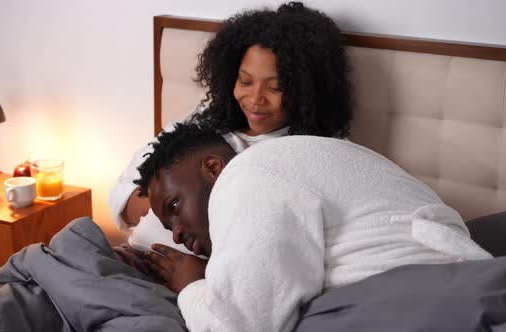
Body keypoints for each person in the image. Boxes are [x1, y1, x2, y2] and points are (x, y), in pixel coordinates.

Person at [135, 122, 492, 332]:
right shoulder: (301, 158)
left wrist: (192, 287)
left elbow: (242, 326)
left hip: (421, 302)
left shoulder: (246, 177)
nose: (177, 234)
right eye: (169, 229)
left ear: (213, 168)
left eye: (175, 206)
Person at [108, 1, 353, 256]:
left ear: (307, 91)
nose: (256, 98)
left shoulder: (315, 153)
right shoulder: (200, 122)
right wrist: (170, 206)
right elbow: (122, 196)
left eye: (275, 88)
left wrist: (179, 201)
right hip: (135, 258)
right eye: (245, 81)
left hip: (193, 285)